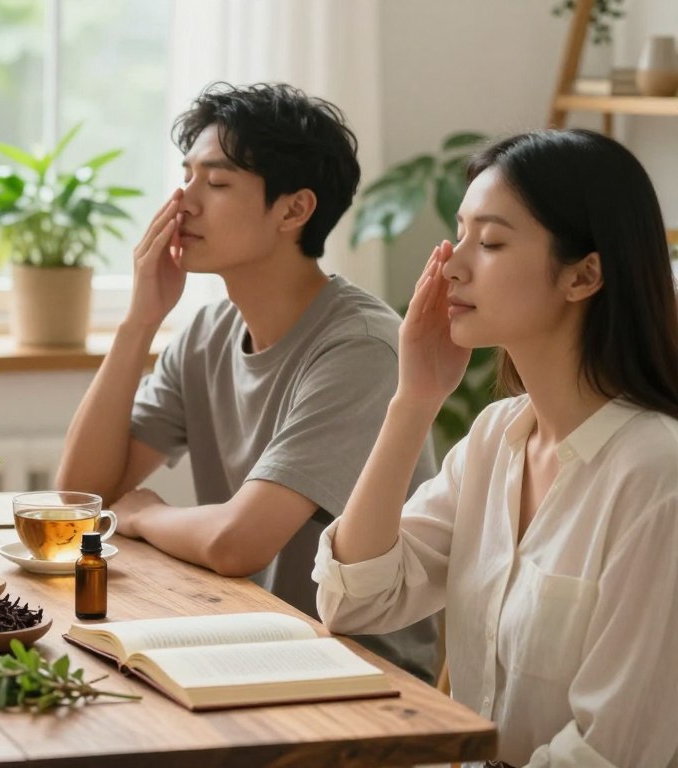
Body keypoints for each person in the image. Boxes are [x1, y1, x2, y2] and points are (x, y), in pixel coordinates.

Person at [315, 129, 678, 766]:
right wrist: (413, 400)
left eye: (491, 242)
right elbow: (355, 599)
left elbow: (613, 750)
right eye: (461, 235)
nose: (452, 264)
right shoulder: (495, 438)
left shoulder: (655, 476)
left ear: (584, 274)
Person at [55, 82, 438, 680]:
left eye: (217, 182)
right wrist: (140, 321)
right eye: (186, 175)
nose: (182, 202)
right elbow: (82, 496)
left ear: (293, 210)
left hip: (353, 668)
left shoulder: (360, 348)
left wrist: (144, 515)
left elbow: (239, 542)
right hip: (244, 635)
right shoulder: (208, 331)